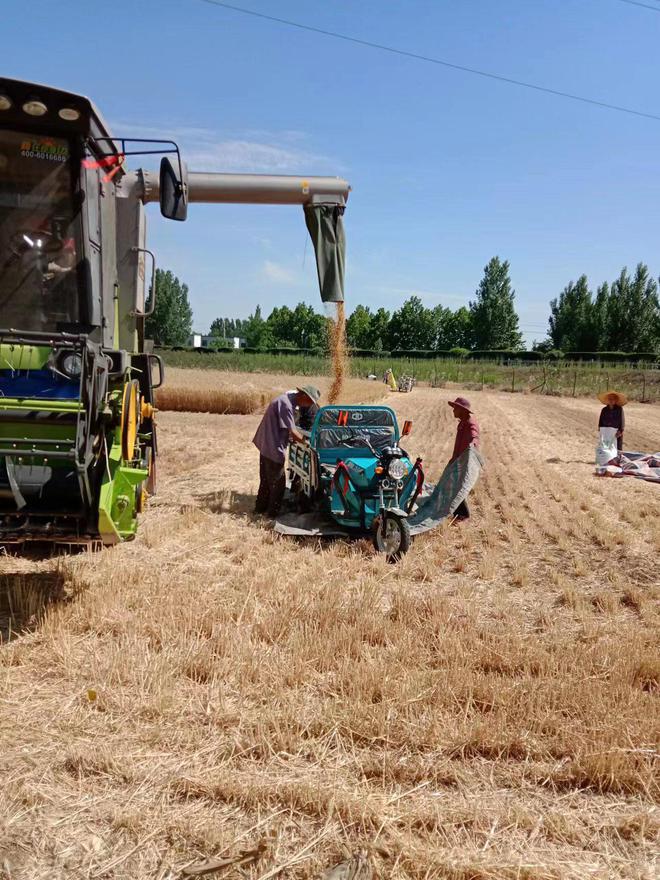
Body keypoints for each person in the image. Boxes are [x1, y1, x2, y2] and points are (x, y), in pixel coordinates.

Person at [253, 385, 321, 517]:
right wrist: (308, 442)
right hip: (272, 445)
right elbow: (294, 433)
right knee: (278, 484)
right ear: (304, 396)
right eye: (310, 402)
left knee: (266, 480)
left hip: (266, 443)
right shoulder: (286, 404)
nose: (308, 406)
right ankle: (272, 514)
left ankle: (260, 509)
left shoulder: (286, 400)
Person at [447, 396, 480, 521]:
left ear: (462, 410)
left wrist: (473, 444)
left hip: (465, 460)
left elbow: (474, 436)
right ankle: (458, 512)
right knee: (454, 484)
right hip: (458, 458)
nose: (453, 410)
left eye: (455, 408)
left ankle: (463, 514)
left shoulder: (471, 423)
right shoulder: (463, 422)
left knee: (457, 486)